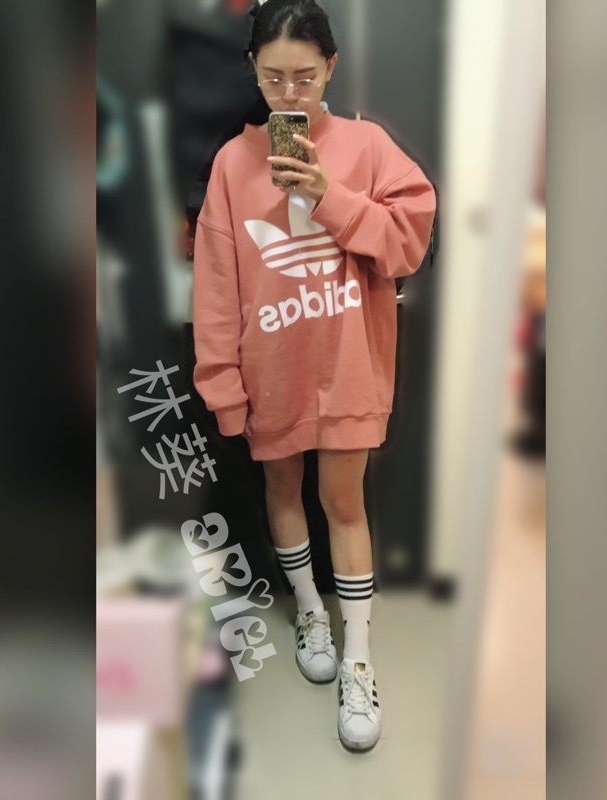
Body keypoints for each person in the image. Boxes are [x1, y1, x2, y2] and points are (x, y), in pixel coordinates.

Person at [192, 0, 436, 751]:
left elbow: (408, 242)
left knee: (344, 503)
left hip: (350, 366)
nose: (289, 94)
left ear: (331, 66)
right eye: (273, 79)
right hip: (271, 371)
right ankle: (307, 610)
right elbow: (217, 289)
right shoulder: (231, 164)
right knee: (282, 492)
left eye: (303, 77)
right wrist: (224, 388)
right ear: (253, 71)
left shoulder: (367, 146)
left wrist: (327, 194)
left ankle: (357, 658)